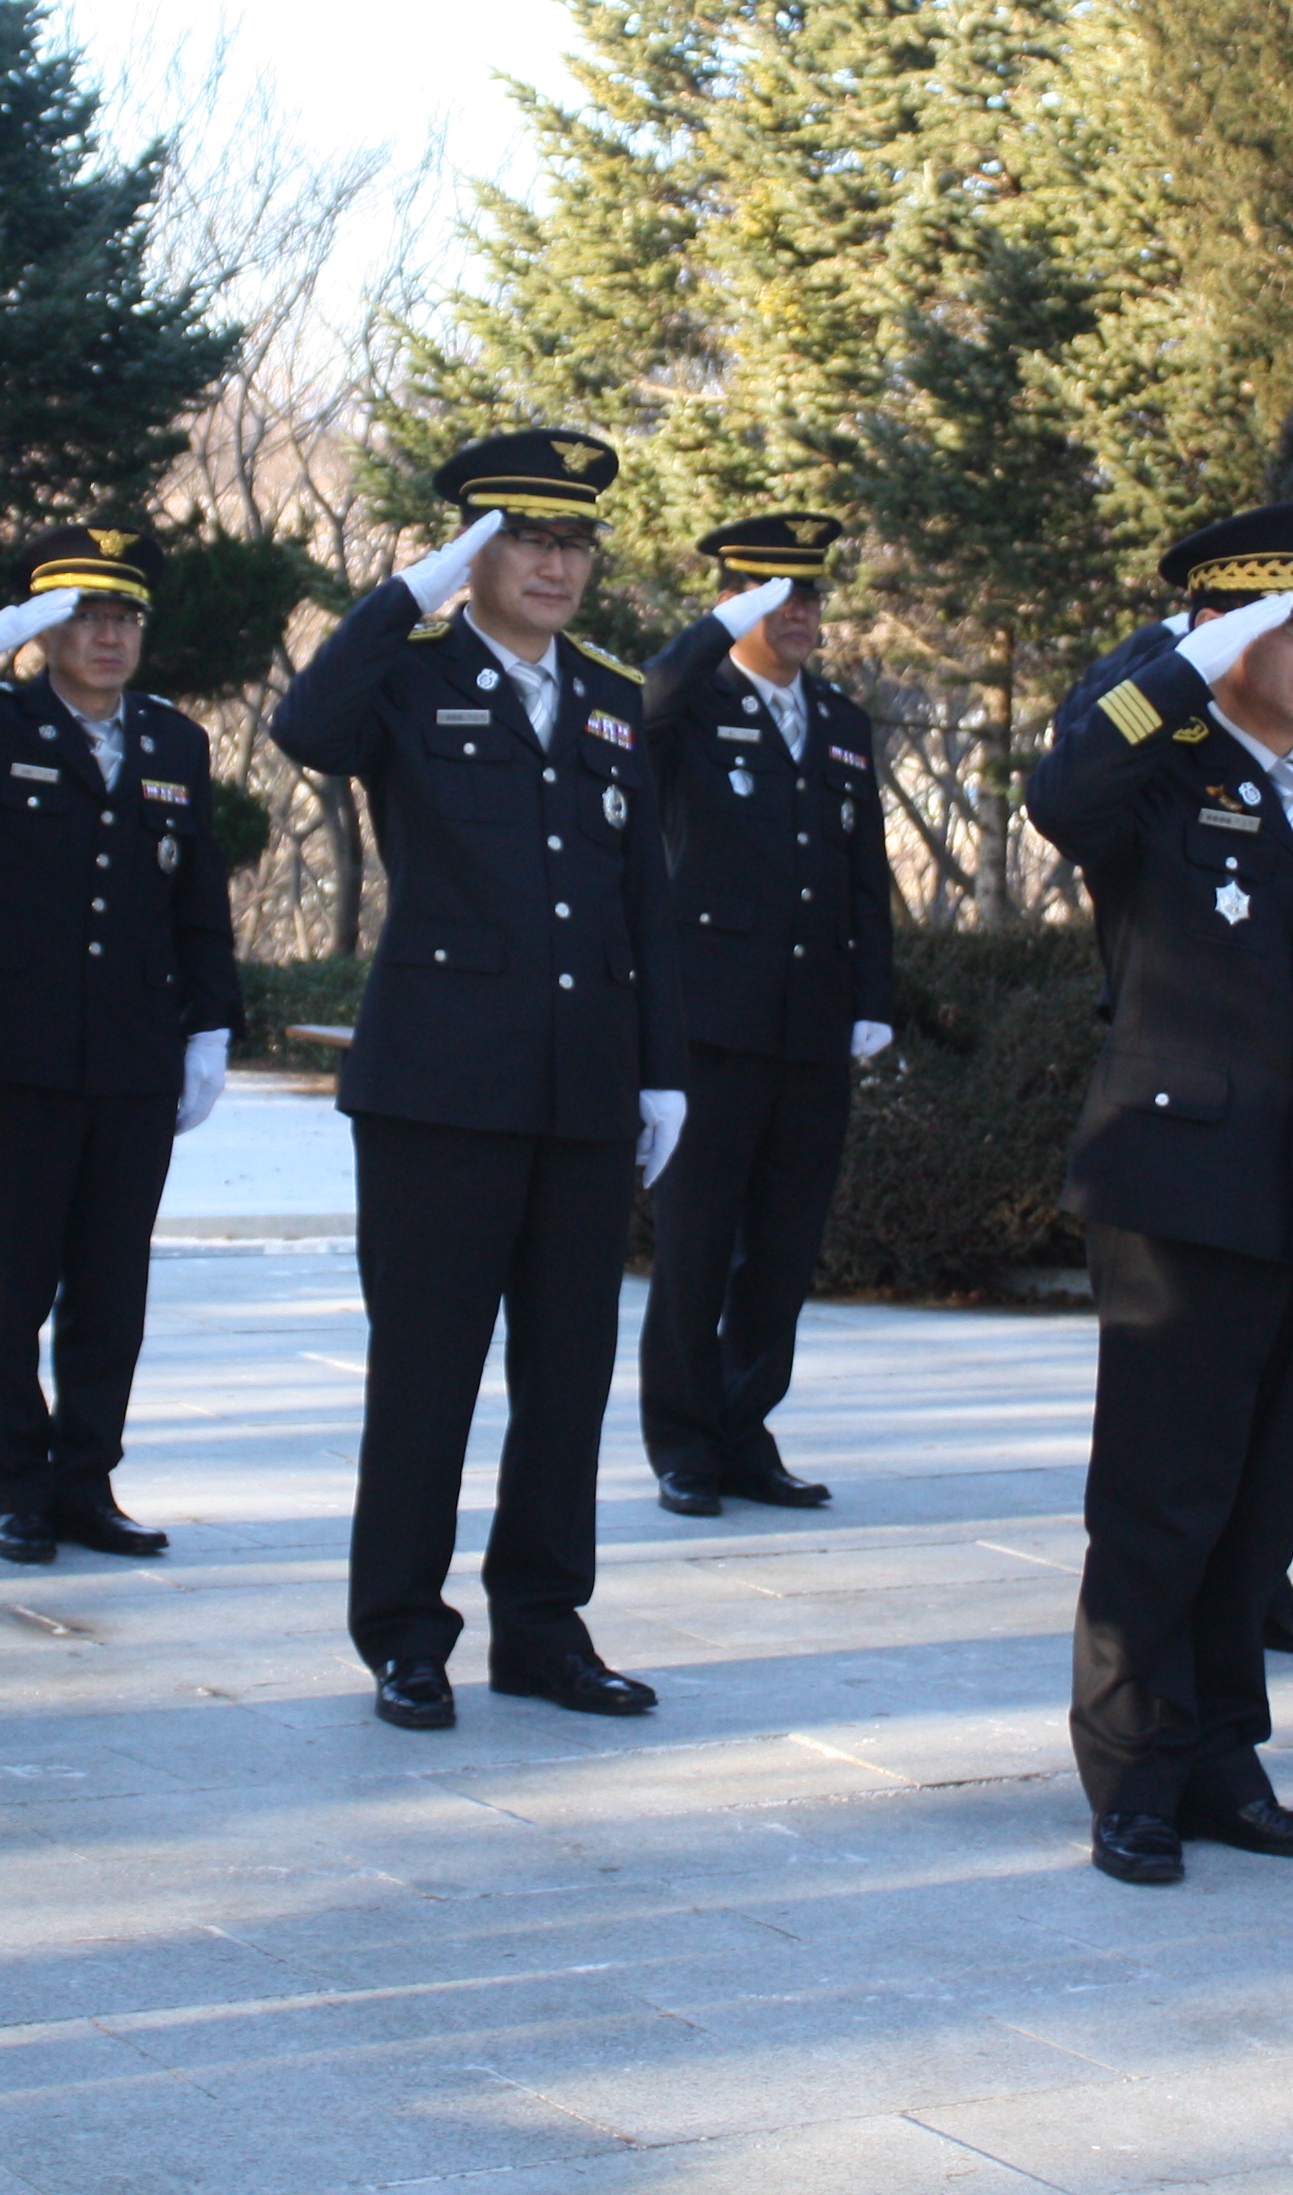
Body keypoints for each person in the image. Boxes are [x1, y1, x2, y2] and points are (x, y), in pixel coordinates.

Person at [268, 428, 687, 1732]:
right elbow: (304, 725)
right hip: (439, 1090)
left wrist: (662, 1073)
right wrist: (412, 591)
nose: (556, 566)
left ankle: (544, 1629)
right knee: (428, 1374)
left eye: (574, 543)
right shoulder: (407, 673)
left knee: (567, 1377)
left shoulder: (611, 694)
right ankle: (403, 1633)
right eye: (526, 540)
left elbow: (644, 894)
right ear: (473, 551)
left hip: (582, 1087)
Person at [1024, 503, 1293, 1889]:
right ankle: (1134, 1771)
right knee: (1161, 1499)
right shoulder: (1157, 768)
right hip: (1179, 1184)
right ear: (1221, 636)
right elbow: (1061, 793)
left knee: (1258, 1504)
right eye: (1292, 626)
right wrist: (1181, 657)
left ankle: (1225, 1760)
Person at [0, 525, 242, 1566]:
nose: (108, 636)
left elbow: (199, 894)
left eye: (125, 617)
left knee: (110, 1283)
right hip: (19, 1044)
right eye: (84, 617)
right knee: (13, 1280)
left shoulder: (174, 740)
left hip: (135, 1047)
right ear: (46, 630)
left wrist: (211, 1021)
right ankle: (14, 1484)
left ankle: (87, 1480)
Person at [635, 511, 894, 1517]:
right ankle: (682, 1443)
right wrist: (711, 632)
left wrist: (873, 996)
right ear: (732, 603)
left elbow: (864, 874)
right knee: (696, 1247)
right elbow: (644, 705)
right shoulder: (691, 702)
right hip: (710, 1023)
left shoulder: (840, 722)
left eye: (810, 594)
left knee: (782, 1252)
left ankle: (745, 1431)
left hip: (811, 1024)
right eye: (774, 595)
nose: (799, 613)